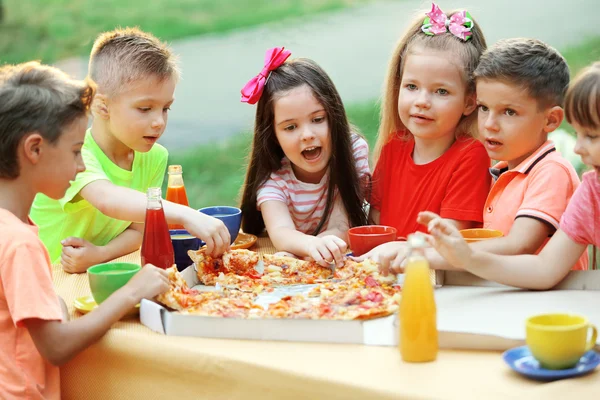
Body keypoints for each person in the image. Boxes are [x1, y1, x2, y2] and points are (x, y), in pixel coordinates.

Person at [0, 61, 169, 399]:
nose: (80, 166)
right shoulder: (19, 243)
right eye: (76, 151)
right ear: (34, 149)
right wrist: (132, 292)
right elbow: (57, 347)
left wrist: (53, 309)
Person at [30, 28, 230, 273]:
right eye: (145, 109)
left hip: (98, 272)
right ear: (102, 106)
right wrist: (186, 215)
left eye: (166, 108)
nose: (159, 121)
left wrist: (101, 254)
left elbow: (139, 229)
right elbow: (107, 198)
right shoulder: (74, 153)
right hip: (47, 276)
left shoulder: (155, 156)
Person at [419, 62, 600, 289]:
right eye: (483, 108)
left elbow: (519, 245)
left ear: (551, 120)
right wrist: (463, 256)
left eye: (591, 136)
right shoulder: (591, 193)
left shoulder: (552, 171)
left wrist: (435, 255)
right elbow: (544, 269)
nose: (577, 148)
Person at [369, 3, 491, 246]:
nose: (422, 102)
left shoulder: (471, 157)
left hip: (441, 279)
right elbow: (376, 223)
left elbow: (449, 241)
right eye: (412, 87)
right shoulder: (393, 148)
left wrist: (393, 251)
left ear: (469, 102)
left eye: (441, 91)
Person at [239, 47, 370, 267]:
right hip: (312, 258)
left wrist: (311, 252)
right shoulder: (273, 178)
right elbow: (281, 233)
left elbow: (342, 225)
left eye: (318, 119)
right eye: (290, 127)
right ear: (273, 135)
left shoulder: (353, 151)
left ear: (334, 115)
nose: (307, 135)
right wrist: (311, 248)